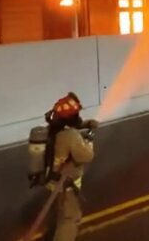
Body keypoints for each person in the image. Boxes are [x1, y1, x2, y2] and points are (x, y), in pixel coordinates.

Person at [44, 93, 97, 241]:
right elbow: (86, 156)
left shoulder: (53, 130)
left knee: (59, 215)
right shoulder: (71, 136)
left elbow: (71, 128)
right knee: (70, 219)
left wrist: (86, 124)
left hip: (53, 182)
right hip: (65, 186)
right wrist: (89, 142)